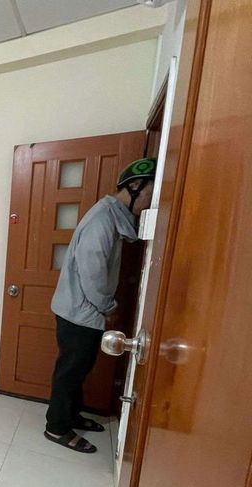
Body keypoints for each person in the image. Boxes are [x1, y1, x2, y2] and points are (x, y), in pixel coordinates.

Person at [44, 157, 157, 453]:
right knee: (70, 372)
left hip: (81, 311)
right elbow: (92, 274)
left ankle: (72, 416)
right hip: (79, 313)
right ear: (135, 186)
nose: (149, 201)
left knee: (79, 370)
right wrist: (109, 307)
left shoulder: (111, 217)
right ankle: (56, 427)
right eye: (149, 193)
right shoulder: (102, 220)